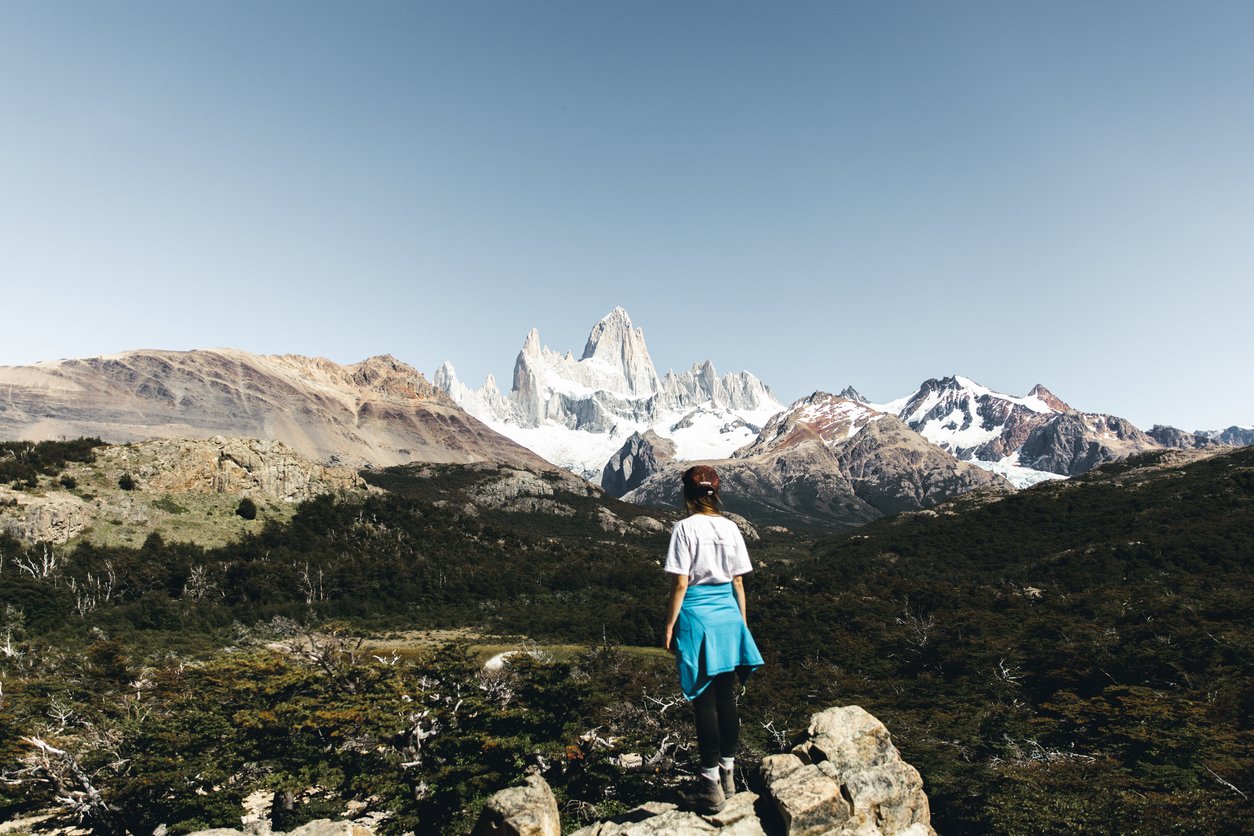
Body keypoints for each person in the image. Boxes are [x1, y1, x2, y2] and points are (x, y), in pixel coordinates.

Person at [662, 464, 764, 814]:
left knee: (703, 700)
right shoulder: (731, 527)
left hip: (697, 614)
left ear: (687, 494)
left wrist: (669, 625)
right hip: (727, 616)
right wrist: (742, 625)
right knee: (726, 698)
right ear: (715, 492)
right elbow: (738, 583)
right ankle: (729, 776)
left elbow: (679, 583)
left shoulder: (684, 528)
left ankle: (709, 785)